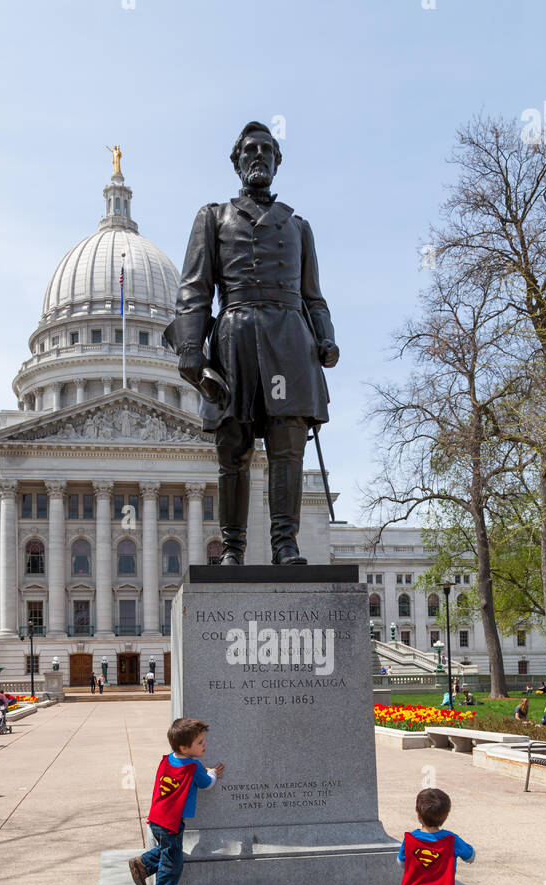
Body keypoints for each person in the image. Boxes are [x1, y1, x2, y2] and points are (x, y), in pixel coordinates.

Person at [165, 120, 339, 565]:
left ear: (277, 162)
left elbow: (313, 295)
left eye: (267, 150)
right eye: (250, 151)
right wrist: (192, 355)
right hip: (235, 337)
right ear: (237, 161)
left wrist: (326, 337)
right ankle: (234, 549)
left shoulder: (299, 227)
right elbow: (194, 289)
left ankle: (285, 544)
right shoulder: (213, 217)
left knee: (287, 448)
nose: (258, 156)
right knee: (233, 449)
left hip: (289, 339)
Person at [128, 718, 225, 885]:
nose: (204, 744)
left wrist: (200, 769)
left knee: (168, 850)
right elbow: (207, 783)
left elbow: (182, 773)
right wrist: (212, 772)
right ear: (184, 747)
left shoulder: (168, 760)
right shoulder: (194, 767)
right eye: (199, 742)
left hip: (157, 818)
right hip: (171, 822)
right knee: (173, 861)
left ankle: (142, 863)